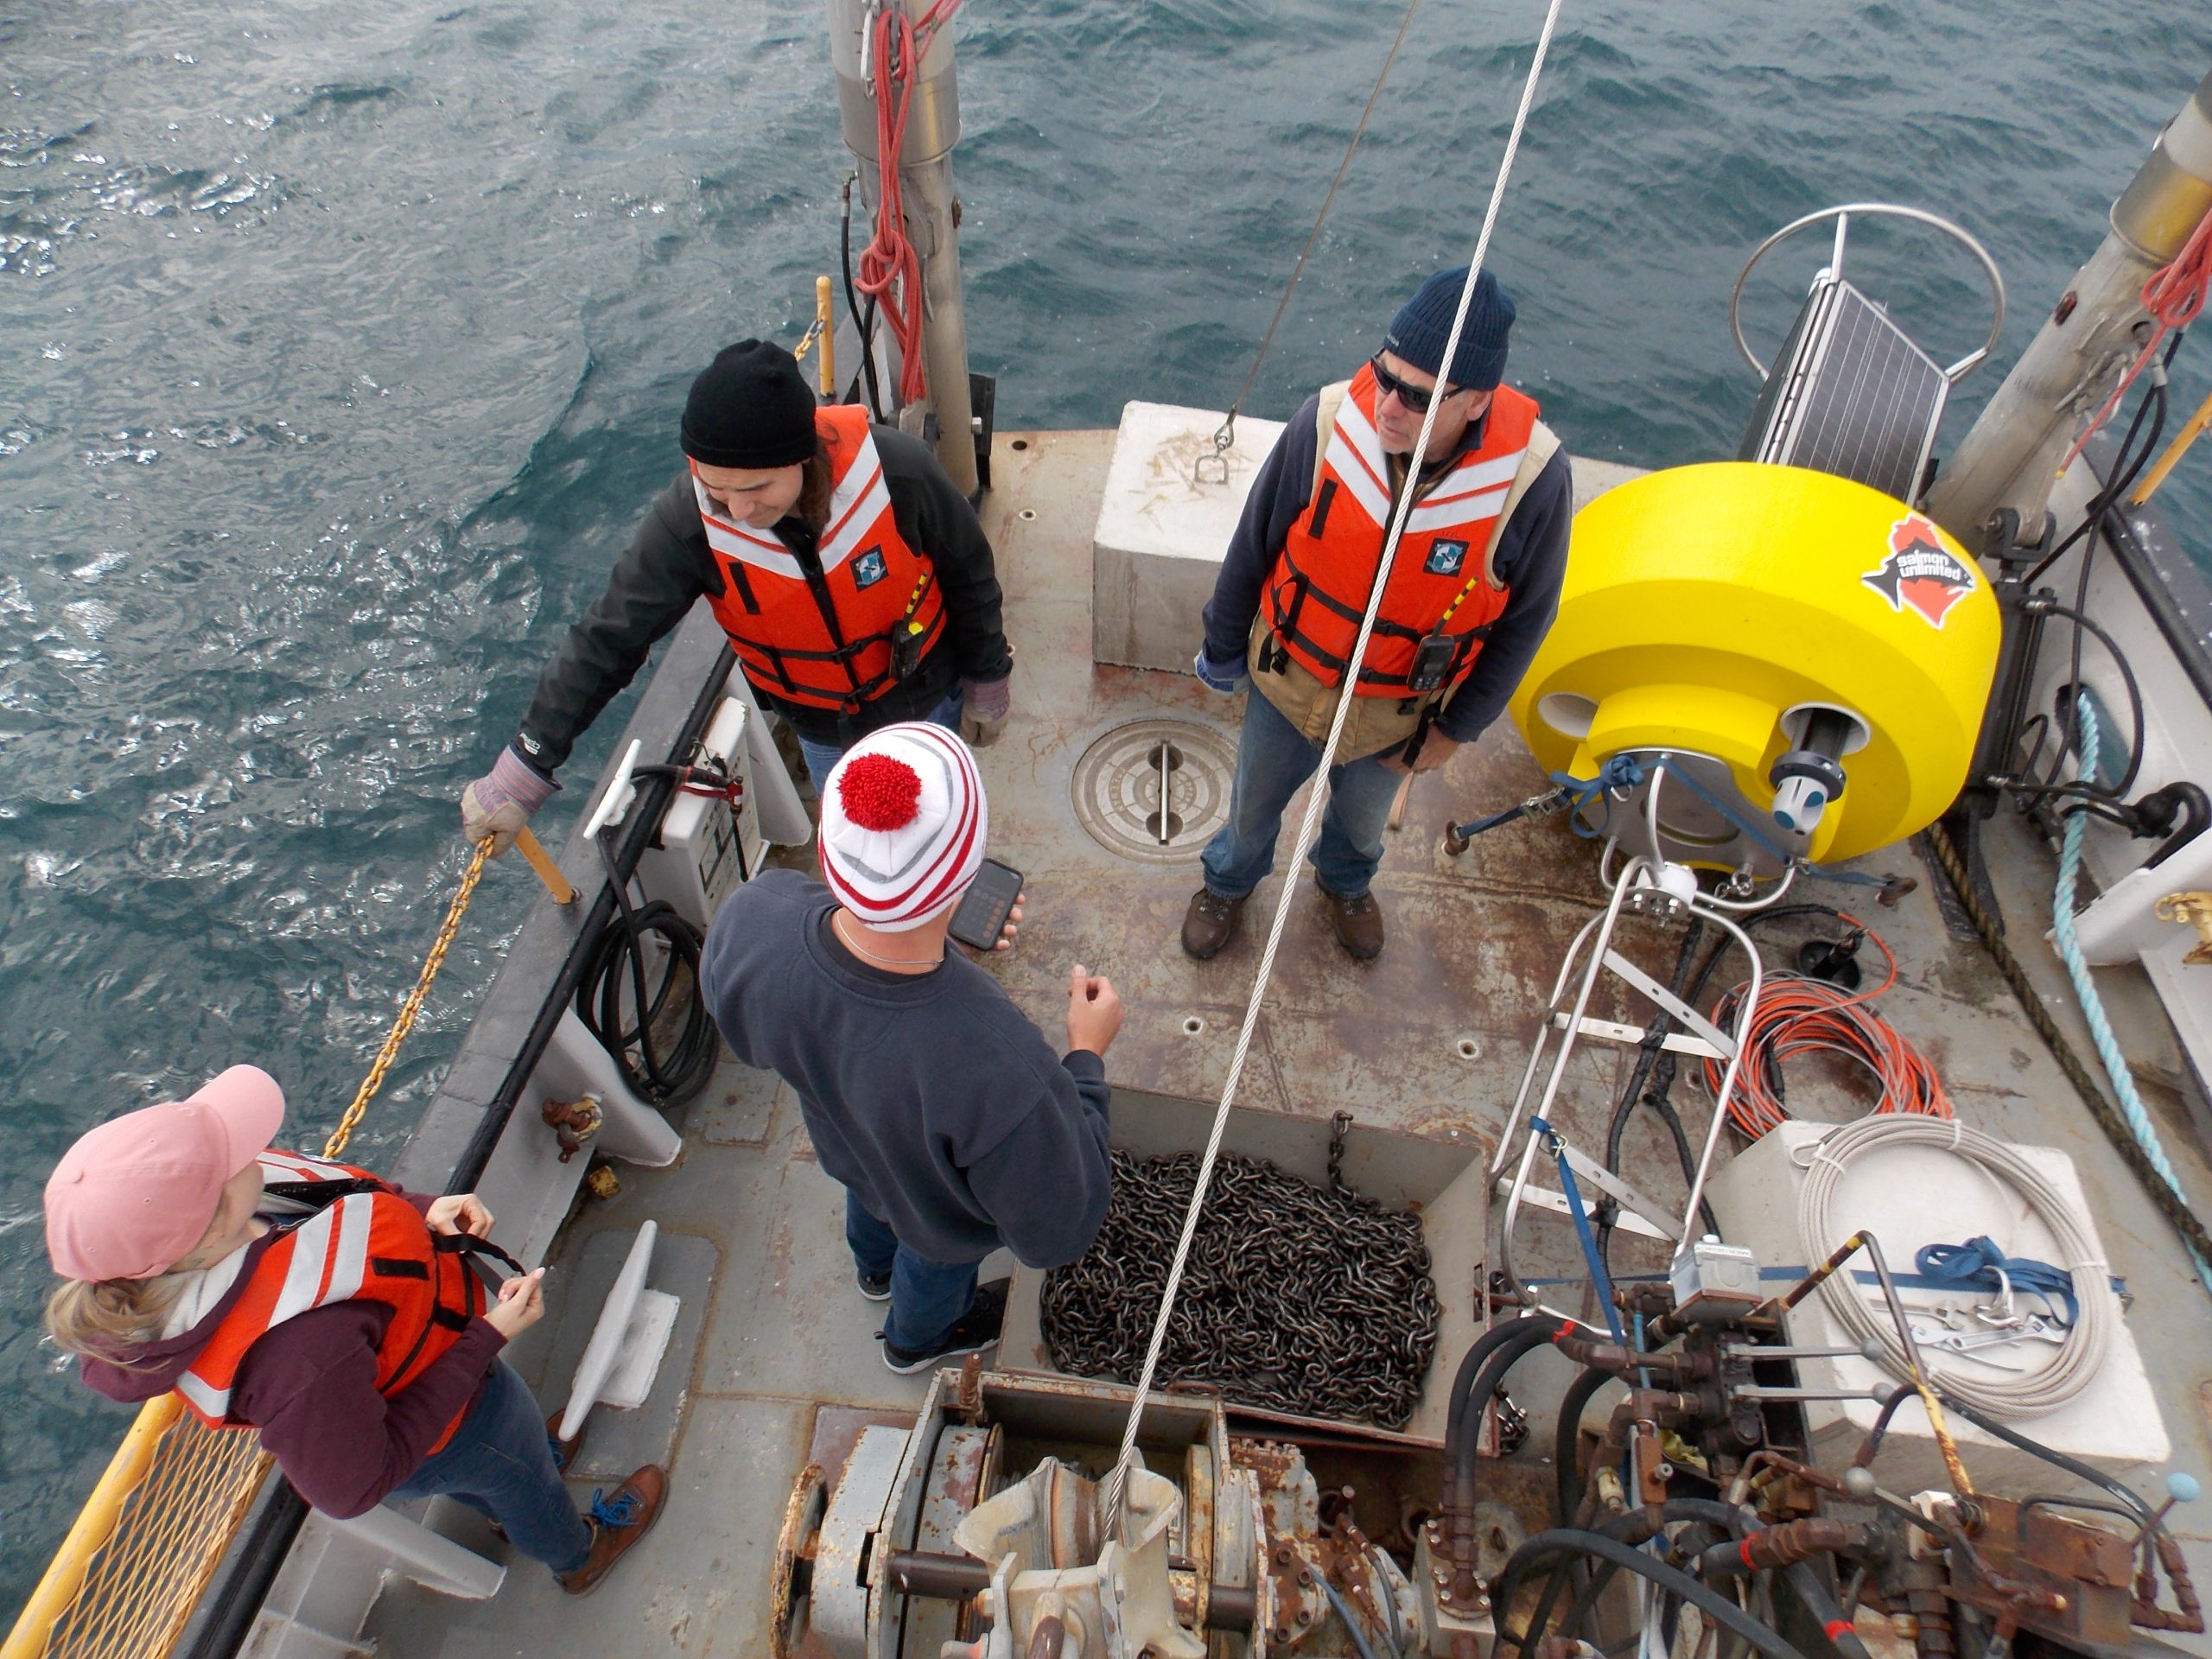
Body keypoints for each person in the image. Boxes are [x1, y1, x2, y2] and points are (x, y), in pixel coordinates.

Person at [42, 1066, 664, 1595]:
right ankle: (578, 1553)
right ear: (205, 1231)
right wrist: (486, 1338)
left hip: (445, 1388)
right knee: (512, 1467)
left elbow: (334, 1202)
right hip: (455, 1424)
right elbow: (355, 1485)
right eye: (227, 1155)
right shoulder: (294, 1354)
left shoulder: (222, 1216)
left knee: (508, 1470)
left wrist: (421, 1210)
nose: (249, 1144)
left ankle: (517, 1487)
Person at [461, 340, 1014, 855]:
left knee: (940, 828)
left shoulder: (901, 475)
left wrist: (988, 678)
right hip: (824, 728)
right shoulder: (690, 520)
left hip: (925, 697)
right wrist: (527, 765)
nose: (739, 512)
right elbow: (608, 637)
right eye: (717, 489)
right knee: (861, 844)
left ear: (801, 458)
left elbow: (969, 570)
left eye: (756, 489)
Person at [700, 721, 1121, 1373]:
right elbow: (1061, 1228)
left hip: (853, 1153)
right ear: (964, 877)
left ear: (830, 846)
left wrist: (929, 934)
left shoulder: (757, 917)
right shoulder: (997, 1058)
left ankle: (872, 1272)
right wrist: (1086, 1058)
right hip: (937, 1218)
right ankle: (916, 1340)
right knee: (932, 1254)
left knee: (874, 1204)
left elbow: (757, 1027)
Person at [1181, 266, 1573, 963]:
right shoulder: (1329, 419)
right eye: (1383, 377)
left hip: (1400, 715)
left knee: (1362, 824)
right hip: (1288, 679)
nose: (1388, 407)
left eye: (1418, 397)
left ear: (1478, 401)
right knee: (1249, 808)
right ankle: (1228, 883)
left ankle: (1345, 883)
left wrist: (1457, 729)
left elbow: (1527, 621)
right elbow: (1256, 537)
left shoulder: (1533, 480)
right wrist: (1221, 644)